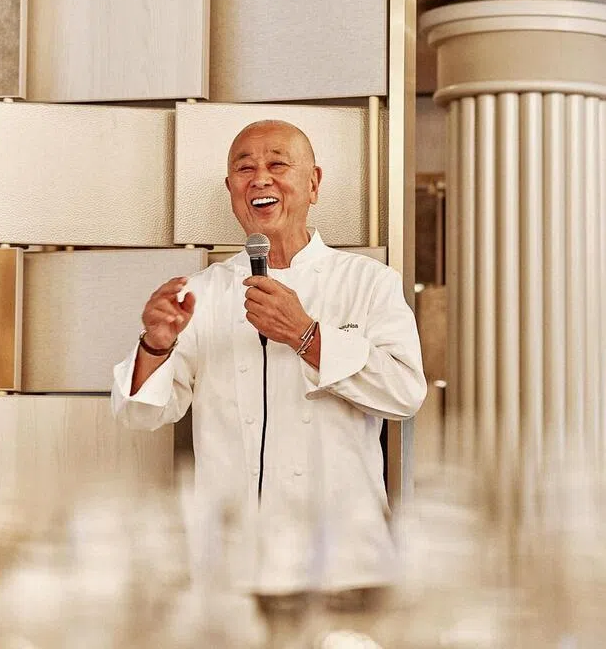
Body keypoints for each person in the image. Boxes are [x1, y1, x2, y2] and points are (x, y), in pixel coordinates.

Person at [110, 119, 426, 595]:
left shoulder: (367, 282)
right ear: (231, 188)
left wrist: (306, 335)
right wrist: (155, 344)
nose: (260, 178)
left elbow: (405, 394)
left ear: (313, 183)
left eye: (278, 164)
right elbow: (141, 414)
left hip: (343, 562)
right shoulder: (203, 292)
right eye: (244, 168)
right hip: (231, 570)